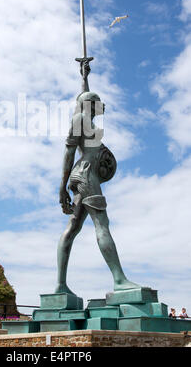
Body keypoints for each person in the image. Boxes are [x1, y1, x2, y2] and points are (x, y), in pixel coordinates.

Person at [57, 59, 139, 295]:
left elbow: (81, 97)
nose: (103, 105)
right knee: (102, 224)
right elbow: (68, 153)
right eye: (99, 101)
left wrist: (84, 76)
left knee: (73, 228)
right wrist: (61, 188)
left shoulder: (85, 118)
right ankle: (119, 280)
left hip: (84, 175)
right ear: (91, 105)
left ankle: (60, 286)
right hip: (85, 176)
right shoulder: (79, 120)